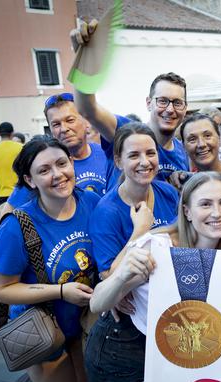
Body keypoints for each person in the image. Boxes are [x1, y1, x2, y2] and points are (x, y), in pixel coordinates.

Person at [85, 172, 221, 382]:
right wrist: (122, 278)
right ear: (187, 211)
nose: (217, 213)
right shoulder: (158, 247)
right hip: (124, 354)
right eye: (205, 204)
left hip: (175, 356)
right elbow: (96, 303)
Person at [0, 136, 108, 382]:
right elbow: (1, 289)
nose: (57, 174)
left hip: (82, 324)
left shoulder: (92, 203)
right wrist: (60, 290)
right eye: (44, 170)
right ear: (29, 179)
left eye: (61, 163)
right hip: (41, 330)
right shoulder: (18, 225)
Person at [70, 18, 189, 191]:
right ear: (149, 103)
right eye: (162, 101)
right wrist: (84, 61)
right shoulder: (127, 131)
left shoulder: (181, 151)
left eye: (177, 103)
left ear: (185, 108)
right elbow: (87, 109)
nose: (170, 109)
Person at [89, 122, 179, 277]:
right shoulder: (106, 212)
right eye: (134, 155)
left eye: (151, 153)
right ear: (118, 162)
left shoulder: (168, 192)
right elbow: (108, 276)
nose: (145, 162)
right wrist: (140, 232)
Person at [45, 93, 107, 195]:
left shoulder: (108, 155)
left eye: (70, 120)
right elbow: (11, 207)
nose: (64, 129)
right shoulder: (44, 165)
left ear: (87, 121)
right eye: (56, 124)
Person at [0, 121, 23, 214]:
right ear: (12, 133)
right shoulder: (21, 147)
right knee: (23, 224)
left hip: (2, 196)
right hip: (20, 193)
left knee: (3, 224)